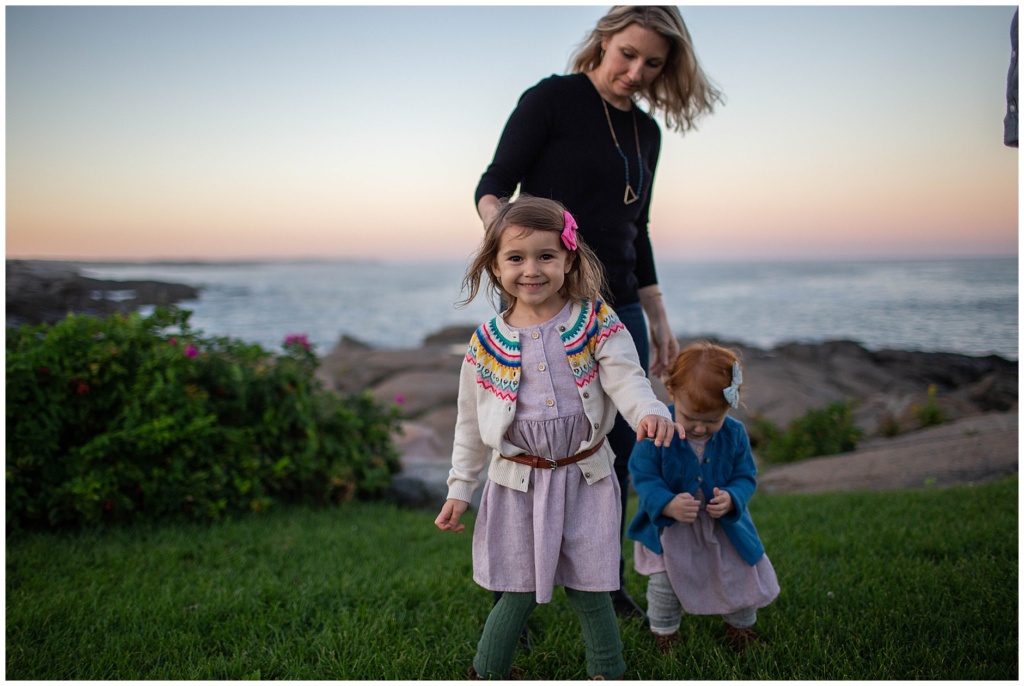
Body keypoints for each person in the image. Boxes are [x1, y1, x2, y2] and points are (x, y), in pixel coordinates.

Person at [474, 5, 722, 620]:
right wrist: (519, 256)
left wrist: (658, 319)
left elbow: (637, 230)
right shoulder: (553, 100)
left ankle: (604, 584)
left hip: (623, 309)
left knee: (616, 457)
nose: (636, 72)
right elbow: (492, 185)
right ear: (603, 42)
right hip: (551, 306)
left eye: (653, 64)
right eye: (628, 55)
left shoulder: (647, 134)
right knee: (530, 451)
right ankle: (514, 600)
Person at [434, 195, 681, 680]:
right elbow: (470, 426)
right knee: (518, 590)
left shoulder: (595, 321)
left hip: (585, 479)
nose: (532, 269)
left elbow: (627, 378)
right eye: (516, 258)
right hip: (516, 487)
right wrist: (460, 489)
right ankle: (485, 671)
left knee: (593, 588)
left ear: (569, 259)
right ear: (495, 265)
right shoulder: (486, 343)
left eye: (546, 255)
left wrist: (649, 409)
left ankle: (608, 673)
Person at [627, 342, 779, 655]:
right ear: (671, 393)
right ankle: (665, 634)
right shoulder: (656, 429)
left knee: (737, 576)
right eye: (691, 417)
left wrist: (733, 497)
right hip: (670, 531)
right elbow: (643, 476)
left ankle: (740, 628)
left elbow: (746, 476)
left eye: (712, 421)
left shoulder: (734, 434)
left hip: (721, 530)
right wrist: (667, 503)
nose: (700, 428)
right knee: (664, 587)